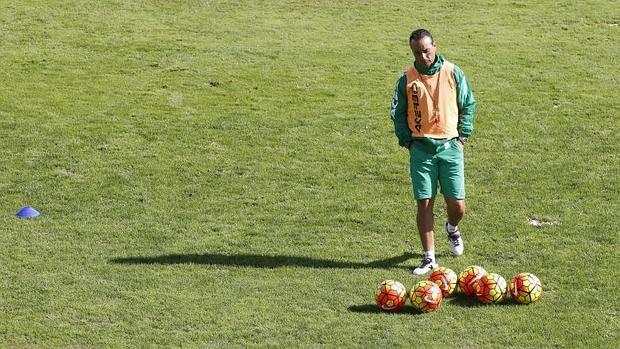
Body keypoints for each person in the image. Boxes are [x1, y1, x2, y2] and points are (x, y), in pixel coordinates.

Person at [390, 29, 476, 275]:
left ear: (435, 46)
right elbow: (397, 113)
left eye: (426, 50)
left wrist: (463, 136)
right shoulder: (406, 79)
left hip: (450, 147)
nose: (423, 56)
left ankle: (451, 228)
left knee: (457, 205)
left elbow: (468, 103)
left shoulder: (453, 72)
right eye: (417, 52)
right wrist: (407, 141)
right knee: (424, 203)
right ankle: (429, 258)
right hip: (421, 149)